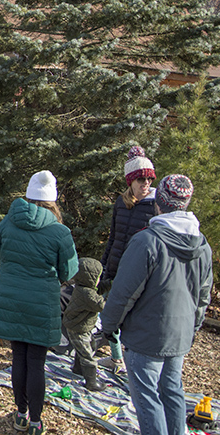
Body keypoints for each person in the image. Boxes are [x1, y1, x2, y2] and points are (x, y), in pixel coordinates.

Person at [100, 174, 212, 435]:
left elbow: (124, 293)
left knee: (148, 399)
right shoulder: (202, 244)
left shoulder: (147, 241)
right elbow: (203, 296)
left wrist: (109, 324)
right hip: (180, 335)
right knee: (172, 391)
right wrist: (193, 327)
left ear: (158, 202)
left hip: (145, 335)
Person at [0, 170, 79, 435]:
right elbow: (69, 271)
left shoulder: (9, 221)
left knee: (19, 358)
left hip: (12, 298)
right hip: (42, 302)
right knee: (36, 363)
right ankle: (37, 421)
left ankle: (20, 414)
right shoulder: (59, 232)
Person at [98, 145, 156, 373]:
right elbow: (114, 236)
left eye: (149, 180)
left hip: (138, 271)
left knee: (132, 318)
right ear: (130, 181)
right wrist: (105, 264)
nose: (145, 185)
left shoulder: (154, 206)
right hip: (116, 266)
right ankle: (116, 357)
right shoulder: (121, 203)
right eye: (140, 180)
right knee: (108, 314)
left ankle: (134, 362)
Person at [62, 258, 107, 391]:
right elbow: (101, 305)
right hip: (77, 328)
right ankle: (91, 382)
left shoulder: (83, 286)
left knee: (88, 346)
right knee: (87, 353)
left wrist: (109, 284)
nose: (99, 280)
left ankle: (78, 368)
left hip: (82, 326)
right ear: (90, 278)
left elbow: (98, 287)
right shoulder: (86, 294)